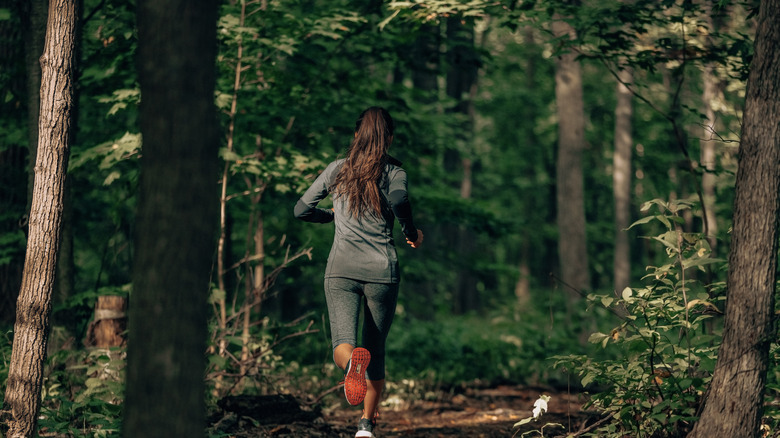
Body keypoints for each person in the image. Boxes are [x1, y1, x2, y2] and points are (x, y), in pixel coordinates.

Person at [294, 106, 423, 438]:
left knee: (343, 343)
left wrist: (332, 217)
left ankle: (352, 364)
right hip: (382, 271)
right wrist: (410, 233)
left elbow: (302, 209)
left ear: (356, 136)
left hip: (341, 271)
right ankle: (365, 426)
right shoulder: (395, 171)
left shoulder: (337, 169)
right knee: (376, 349)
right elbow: (399, 198)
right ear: (389, 138)